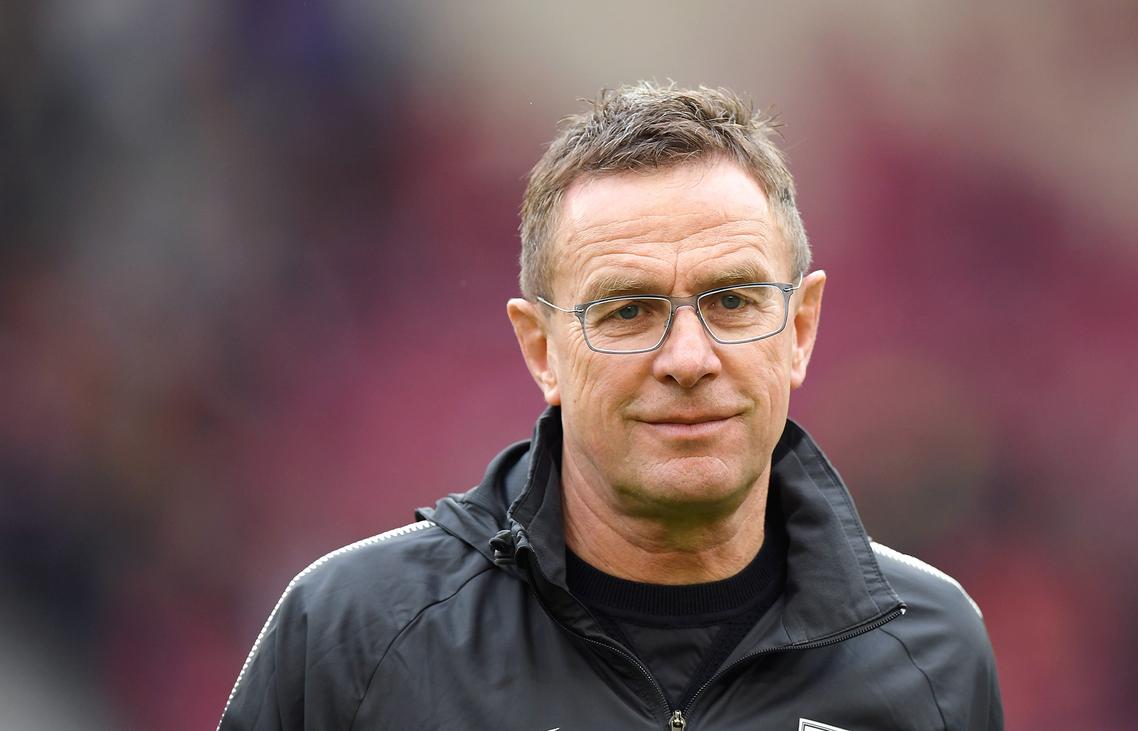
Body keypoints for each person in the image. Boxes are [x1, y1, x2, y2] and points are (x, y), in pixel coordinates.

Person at [217, 82, 1002, 731]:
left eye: (733, 301)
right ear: (541, 349)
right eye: (627, 310)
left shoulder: (933, 653)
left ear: (799, 329)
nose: (688, 358)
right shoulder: (353, 637)